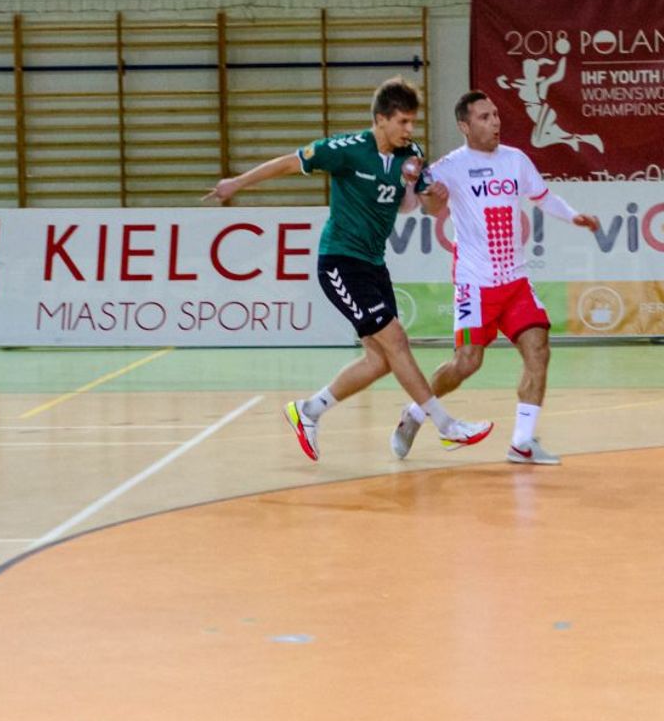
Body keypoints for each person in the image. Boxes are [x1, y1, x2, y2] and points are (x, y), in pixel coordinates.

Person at [203, 77, 492, 461]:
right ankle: (446, 425)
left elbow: (424, 207)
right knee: (396, 341)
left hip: (374, 263)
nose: (410, 129)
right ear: (381, 119)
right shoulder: (347, 149)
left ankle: (309, 410)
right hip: (340, 261)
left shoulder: (411, 154)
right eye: (403, 121)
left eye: (413, 121)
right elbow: (289, 162)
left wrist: (436, 198)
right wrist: (236, 183)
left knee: (380, 360)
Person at [391, 89, 601, 465]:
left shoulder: (515, 160)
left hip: (515, 281)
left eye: (496, 115)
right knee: (467, 362)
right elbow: (426, 206)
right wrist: (430, 193)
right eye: (484, 117)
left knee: (538, 349)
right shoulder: (450, 166)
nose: (495, 122)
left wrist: (573, 216)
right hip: (475, 283)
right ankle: (416, 412)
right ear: (464, 126)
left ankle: (522, 442)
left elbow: (543, 197)